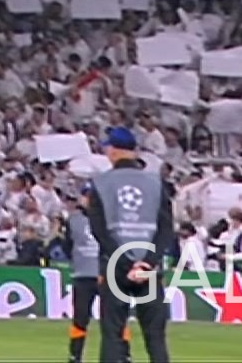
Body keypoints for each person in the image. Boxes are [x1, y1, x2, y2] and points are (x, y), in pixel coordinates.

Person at [86, 131, 172, 363]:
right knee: (155, 338)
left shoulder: (100, 183)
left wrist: (125, 262)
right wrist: (146, 263)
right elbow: (166, 229)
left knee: (113, 334)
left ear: (113, 150)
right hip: (149, 268)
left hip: (115, 266)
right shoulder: (156, 183)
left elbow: (99, 231)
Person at [61, 179, 104, 363]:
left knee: (114, 319)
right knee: (80, 318)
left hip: (105, 274)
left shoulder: (108, 218)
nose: (89, 199)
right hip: (83, 275)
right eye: (86, 196)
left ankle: (122, 354)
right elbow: (67, 245)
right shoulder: (74, 219)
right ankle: (75, 355)